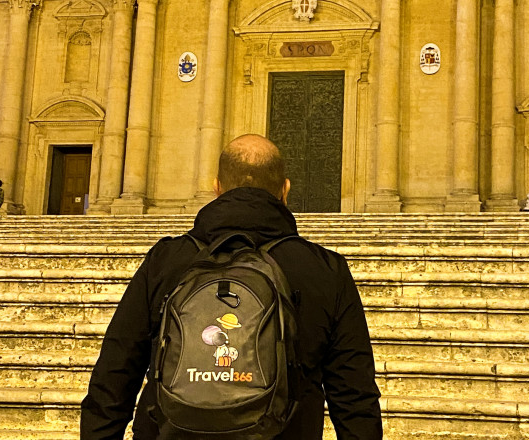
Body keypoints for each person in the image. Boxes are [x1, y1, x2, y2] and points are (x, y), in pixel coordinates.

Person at [81, 134, 381, 440]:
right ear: (285, 190)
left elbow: (114, 377)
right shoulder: (325, 269)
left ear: (216, 188)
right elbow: (355, 398)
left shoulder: (167, 260)